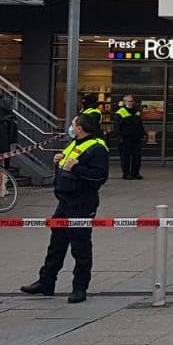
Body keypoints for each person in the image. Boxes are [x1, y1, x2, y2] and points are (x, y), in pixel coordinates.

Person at [19, 114, 109, 303]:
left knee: (80, 246)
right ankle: (46, 282)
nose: (71, 127)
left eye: (73, 124)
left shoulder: (97, 148)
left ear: (81, 128)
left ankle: (80, 287)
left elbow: (98, 177)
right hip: (65, 201)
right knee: (56, 244)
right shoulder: (75, 143)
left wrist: (76, 168)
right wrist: (58, 161)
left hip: (82, 203)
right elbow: (67, 166)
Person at [113, 95, 147, 180]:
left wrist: (142, 133)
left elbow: (140, 124)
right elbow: (116, 127)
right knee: (125, 157)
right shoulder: (120, 112)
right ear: (124, 102)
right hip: (125, 139)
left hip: (136, 138)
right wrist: (119, 137)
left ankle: (135, 173)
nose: (131, 103)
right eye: (128, 101)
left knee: (137, 157)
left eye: (132, 101)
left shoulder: (137, 112)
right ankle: (126, 174)